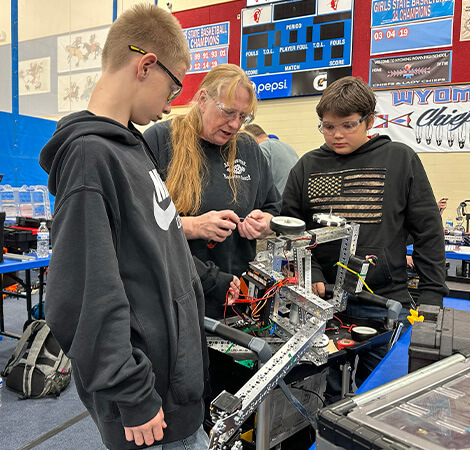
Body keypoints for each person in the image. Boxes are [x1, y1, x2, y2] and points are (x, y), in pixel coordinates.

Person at [39, 5, 209, 449]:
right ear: (146, 65)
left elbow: (157, 253)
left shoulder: (131, 148)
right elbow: (80, 294)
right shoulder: (90, 158)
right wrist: (132, 393)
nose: (172, 101)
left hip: (173, 387)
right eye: (174, 86)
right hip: (146, 401)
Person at [281, 76, 447, 388]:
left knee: (385, 392)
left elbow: (428, 231)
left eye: (347, 125)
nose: (336, 135)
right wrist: (313, 270)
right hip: (323, 307)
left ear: (368, 120)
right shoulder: (307, 166)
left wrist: (431, 297)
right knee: (323, 394)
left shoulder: (399, 158)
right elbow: (292, 225)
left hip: (385, 304)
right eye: (327, 126)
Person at [144, 64, 281, 319]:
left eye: (243, 117)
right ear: (203, 99)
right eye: (228, 112)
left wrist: (266, 224)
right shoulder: (161, 141)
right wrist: (192, 226)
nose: (235, 124)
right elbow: (140, 222)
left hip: (236, 297)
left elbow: (274, 209)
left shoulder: (248, 148)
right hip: (177, 299)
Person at [244, 123, 299, 195]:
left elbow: (256, 182)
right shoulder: (288, 147)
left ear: (250, 139)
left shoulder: (262, 148)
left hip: (280, 202)